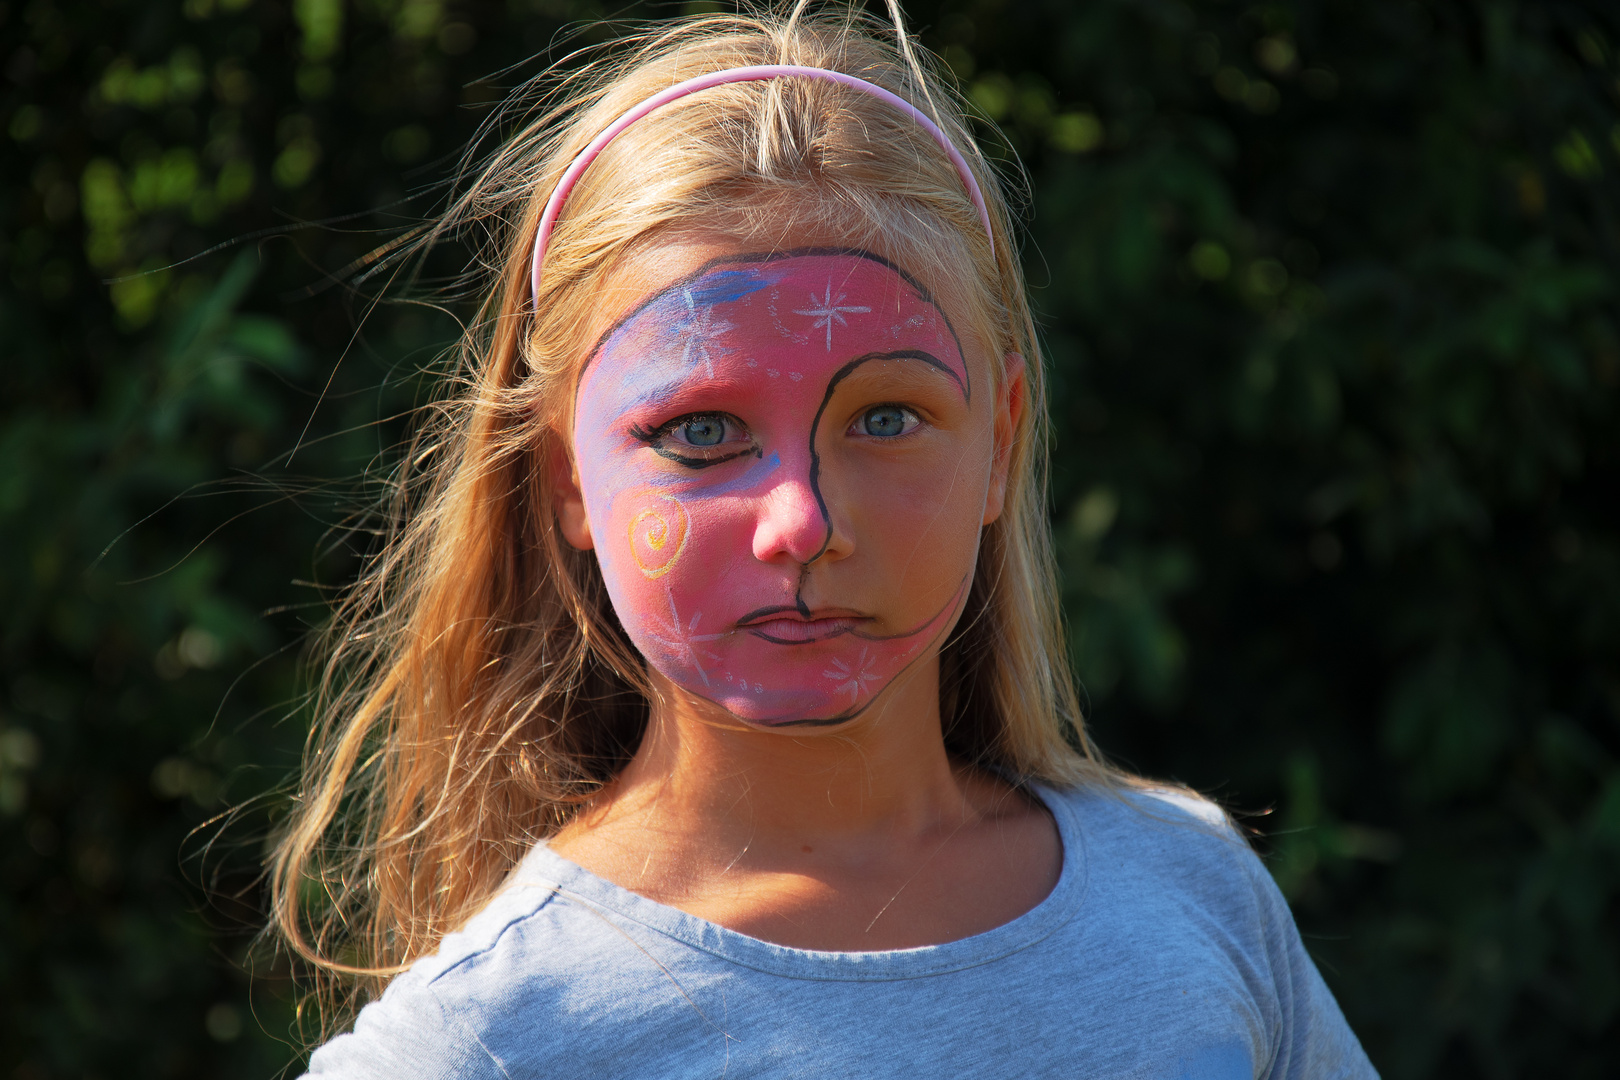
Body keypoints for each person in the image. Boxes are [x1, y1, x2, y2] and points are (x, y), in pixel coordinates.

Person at [273, 4, 1377, 1076]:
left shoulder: (1191, 892)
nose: (803, 520)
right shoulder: (488, 1043)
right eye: (700, 431)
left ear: (999, 441)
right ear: (566, 480)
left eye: (887, 419)